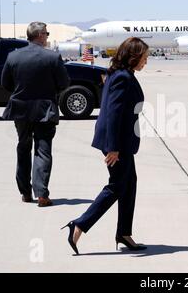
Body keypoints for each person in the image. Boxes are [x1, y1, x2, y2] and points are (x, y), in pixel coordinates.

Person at [62, 37, 149, 254]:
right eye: (144, 58)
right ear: (133, 57)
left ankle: (124, 233)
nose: (146, 62)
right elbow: (113, 113)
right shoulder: (122, 78)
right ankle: (80, 224)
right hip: (117, 141)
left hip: (122, 141)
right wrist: (113, 147)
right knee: (117, 186)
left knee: (129, 184)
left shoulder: (119, 74)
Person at [1, 21, 70, 207]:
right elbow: (64, 84)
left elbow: (5, 83)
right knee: (43, 150)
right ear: (39, 35)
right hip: (45, 110)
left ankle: (25, 192)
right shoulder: (52, 57)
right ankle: (41, 194)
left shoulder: (13, 56)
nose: (47, 37)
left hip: (20, 109)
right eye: (46, 33)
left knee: (23, 147)